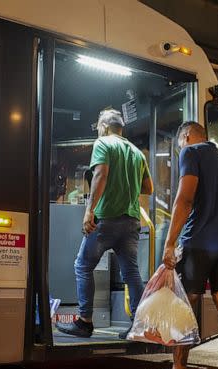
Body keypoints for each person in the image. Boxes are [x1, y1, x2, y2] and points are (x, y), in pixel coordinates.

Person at [150, 122, 218, 369]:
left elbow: (184, 199)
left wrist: (169, 243)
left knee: (185, 302)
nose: (181, 149)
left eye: (180, 144)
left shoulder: (191, 153)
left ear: (186, 136)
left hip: (198, 242)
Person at [56, 108, 153, 339]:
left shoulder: (103, 143)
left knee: (83, 265)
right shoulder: (137, 153)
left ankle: (85, 321)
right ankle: (139, 325)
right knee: (131, 273)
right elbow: (148, 188)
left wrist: (89, 210)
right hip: (130, 221)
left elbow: (100, 175)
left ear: (105, 127)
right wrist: (125, 184)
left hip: (106, 219)